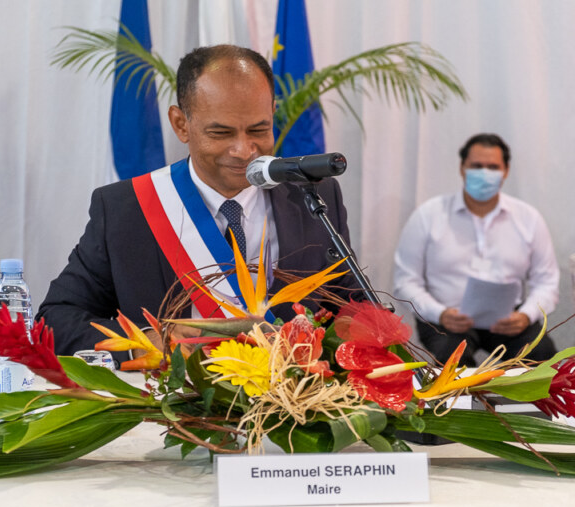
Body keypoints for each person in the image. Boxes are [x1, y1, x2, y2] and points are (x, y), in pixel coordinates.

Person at [38, 45, 357, 363]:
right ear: (180, 124)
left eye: (258, 129)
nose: (244, 150)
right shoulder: (125, 209)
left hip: (295, 405)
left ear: (273, 112)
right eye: (221, 132)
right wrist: (141, 342)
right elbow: (53, 322)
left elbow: (355, 303)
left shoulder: (313, 197)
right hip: (174, 405)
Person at [393, 133, 559, 367]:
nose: (484, 174)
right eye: (477, 166)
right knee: (449, 359)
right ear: (462, 168)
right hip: (445, 319)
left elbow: (547, 282)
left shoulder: (528, 218)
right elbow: (405, 281)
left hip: (510, 319)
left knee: (541, 354)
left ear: (506, 171)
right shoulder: (428, 216)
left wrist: (526, 315)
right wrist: (439, 313)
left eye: (493, 167)